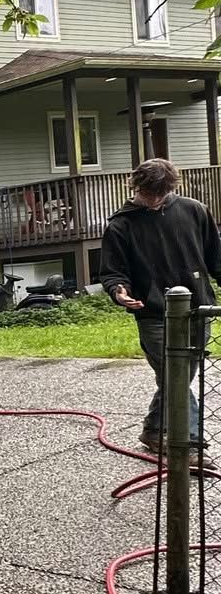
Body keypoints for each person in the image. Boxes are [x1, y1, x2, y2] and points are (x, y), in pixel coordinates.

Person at [100, 157, 221, 454]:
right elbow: (113, 271)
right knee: (175, 378)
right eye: (147, 193)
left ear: (170, 188)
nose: (153, 200)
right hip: (152, 313)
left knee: (177, 377)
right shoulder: (121, 225)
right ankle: (190, 445)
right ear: (135, 186)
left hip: (198, 309)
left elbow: (217, 259)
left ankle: (154, 430)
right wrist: (119, 292)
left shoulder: (194, 211)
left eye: (160, 194)